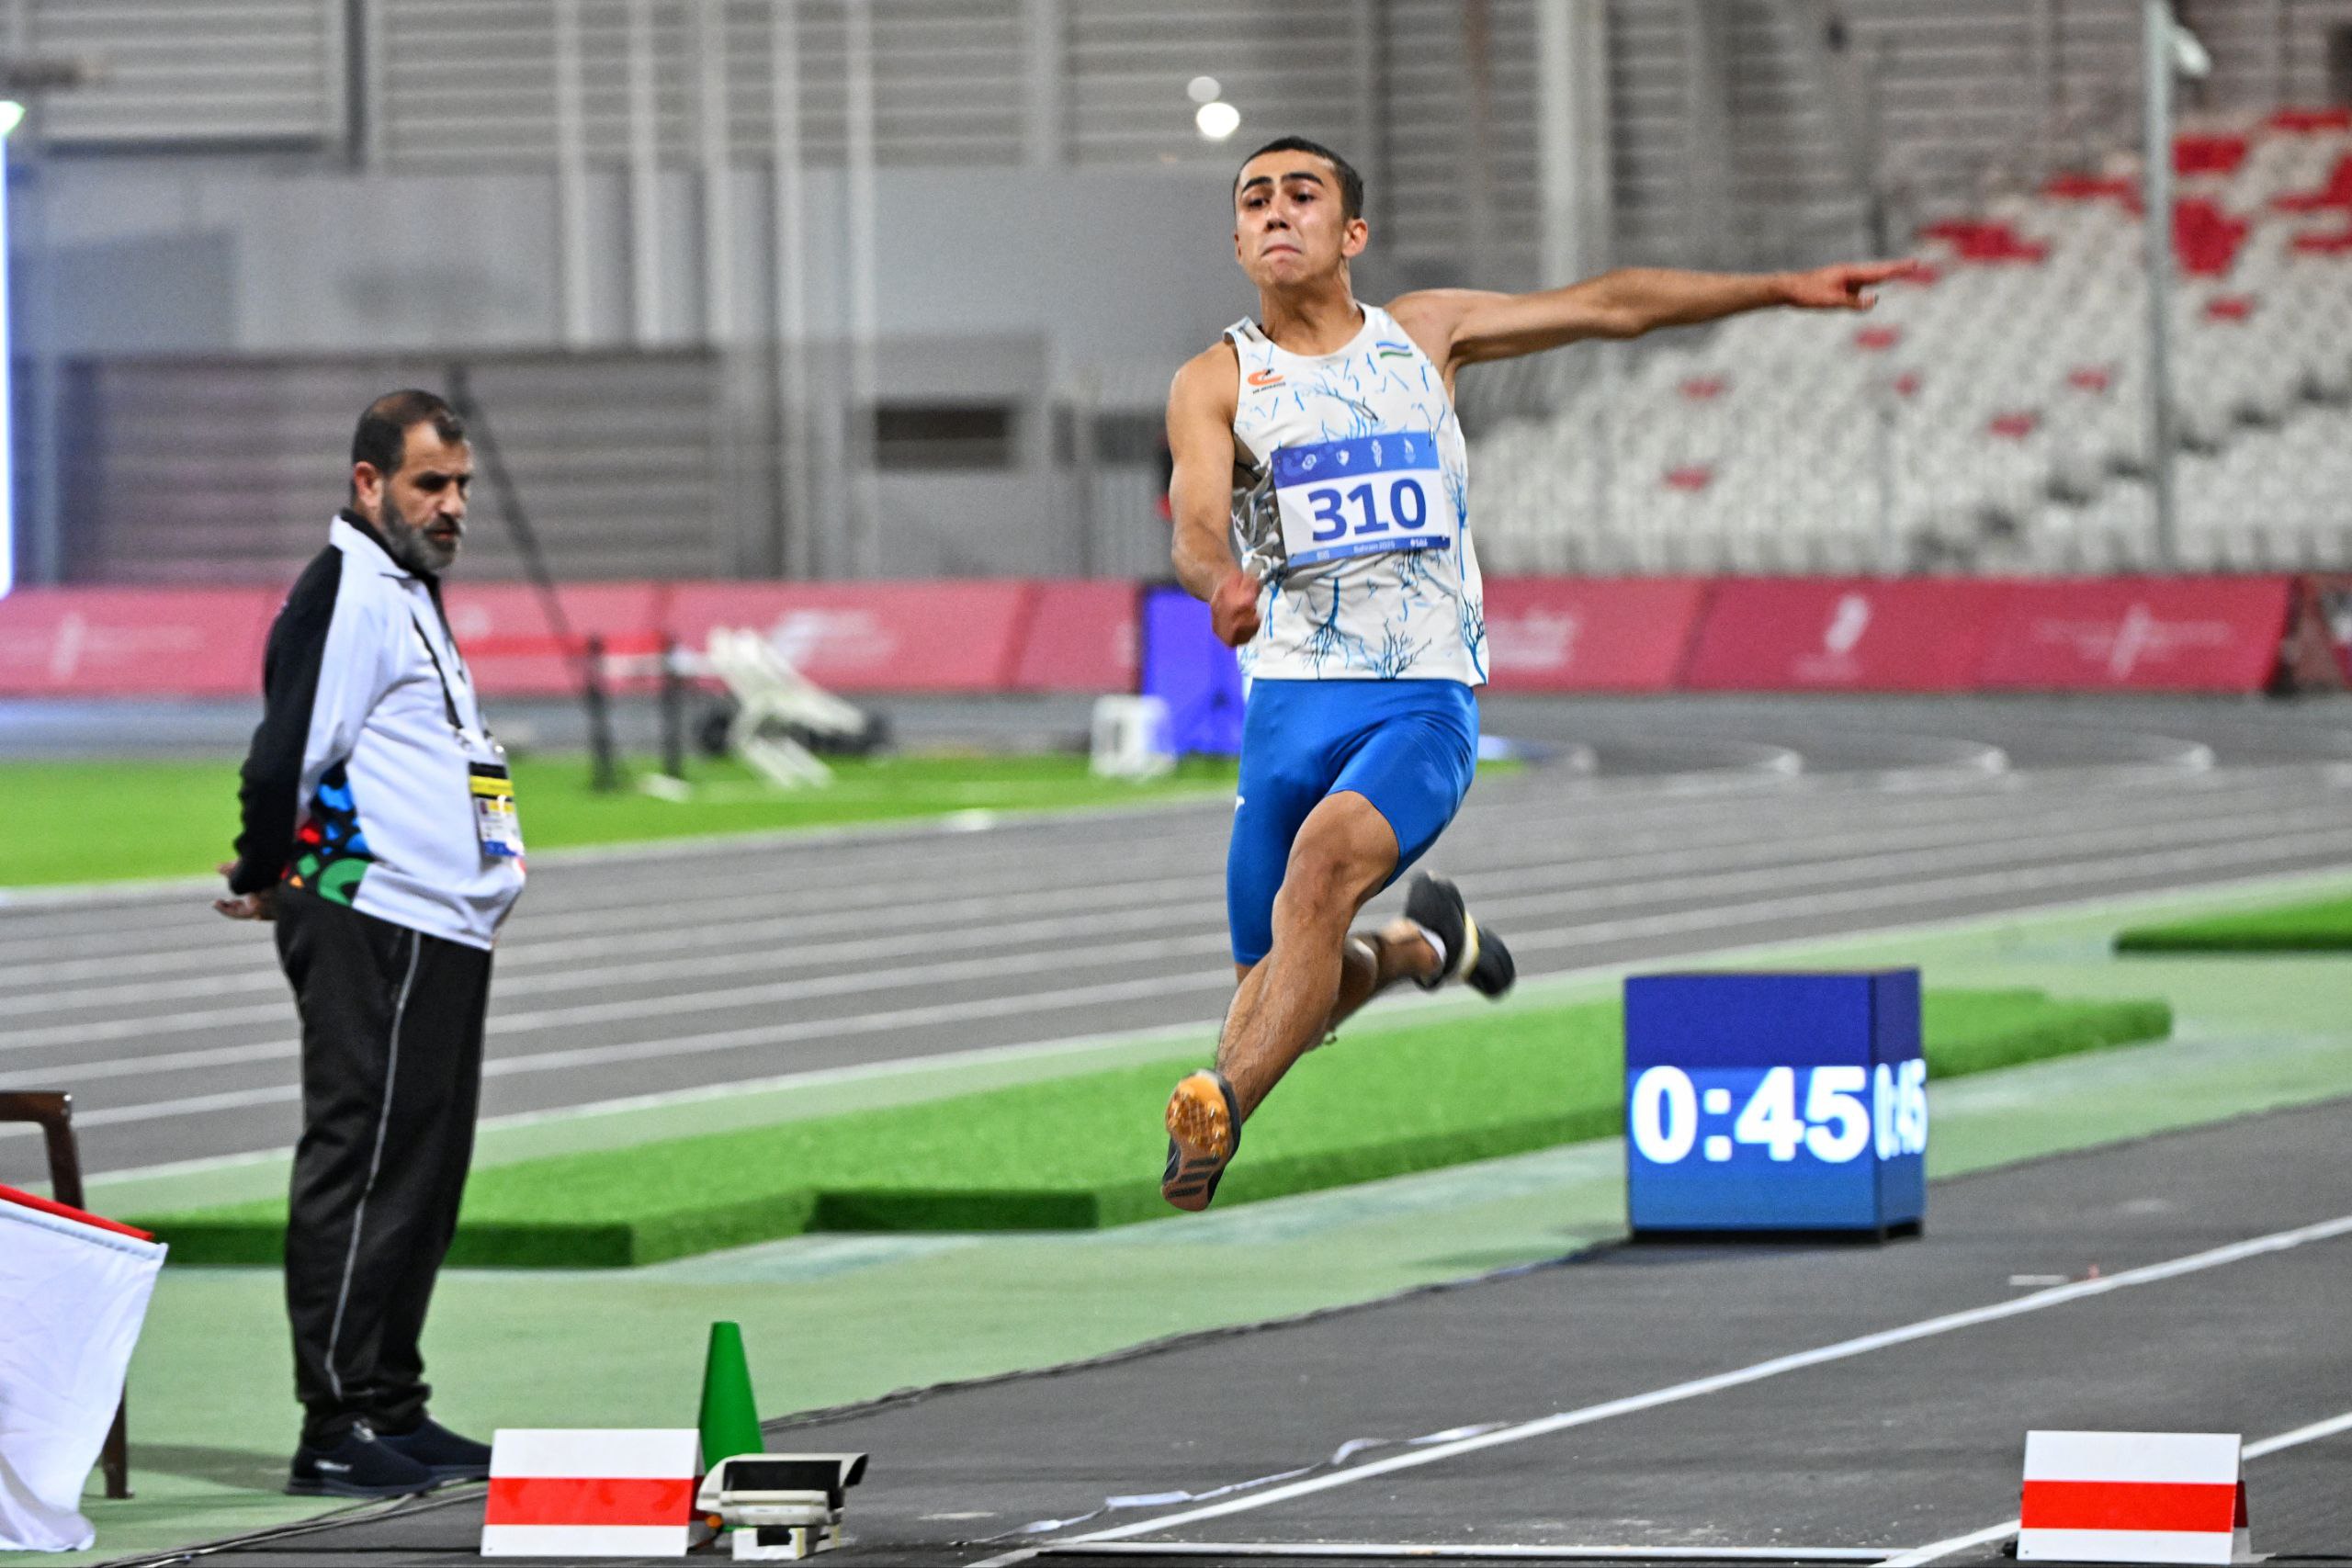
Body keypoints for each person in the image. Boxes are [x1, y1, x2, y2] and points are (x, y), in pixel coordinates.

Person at [1159, 136, 1915, 1211]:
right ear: (1238, 242)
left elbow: (1610, 305)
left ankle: (1218, 1109)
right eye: (1254, 200)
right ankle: (1421, 949)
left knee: (1317, 880)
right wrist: (1218, 581)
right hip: (1285, 711)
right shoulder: (1217, 380)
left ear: (1352, 231)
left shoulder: (1424, 334)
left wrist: (1778, 289)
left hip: (1418, 703)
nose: (1276, 211)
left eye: (1302, 193)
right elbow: (1194, 522)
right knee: (1291, 991)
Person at [214, 389, 526, 1496]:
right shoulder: (346, 586)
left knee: (424, 1174)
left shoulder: (406, 590)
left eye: (461, 486)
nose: (453, 506)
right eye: (430, 483)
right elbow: (285, 756)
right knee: (365, 1160)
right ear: (368, 483)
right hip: (374, 912)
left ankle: (391, 1400)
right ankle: (335, 1423)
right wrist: (264, 870)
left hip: (438, 919)